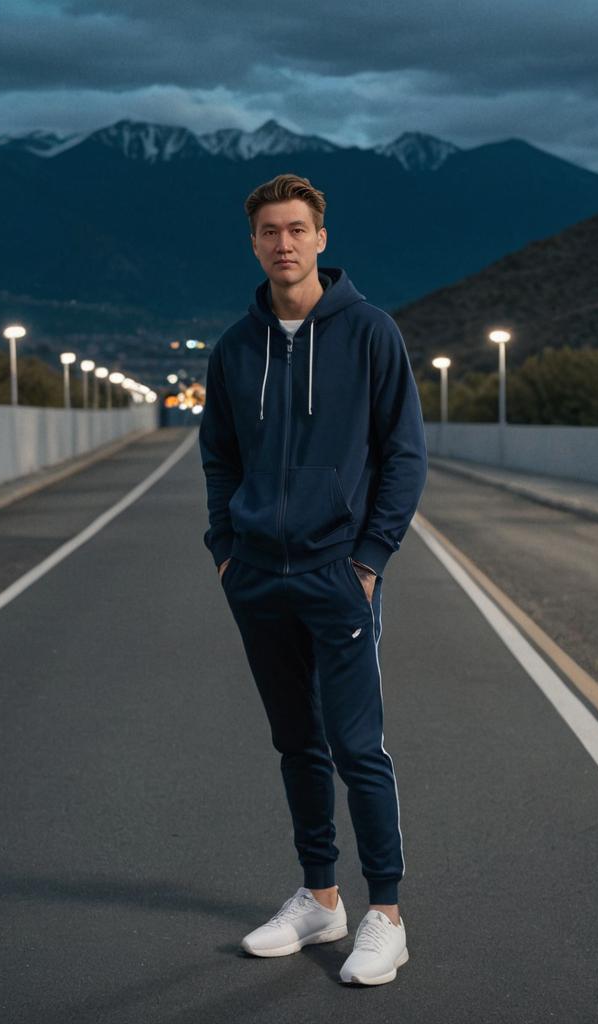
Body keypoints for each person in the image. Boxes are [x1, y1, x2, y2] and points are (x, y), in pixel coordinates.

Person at [198, 172, 427, 986]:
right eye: (269, 230)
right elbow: (219, 458)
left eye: (297, 228)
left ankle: (387, 915)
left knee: (355, 744)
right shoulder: (234, 347)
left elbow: (404, 455)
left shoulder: (369, 333)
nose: (284, 243)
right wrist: (226, 550)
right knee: (296, 743)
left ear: (322, 238)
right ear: (254, 242)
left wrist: (368, 561)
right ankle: (321, 897)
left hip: (339, 575)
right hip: (258, 576)